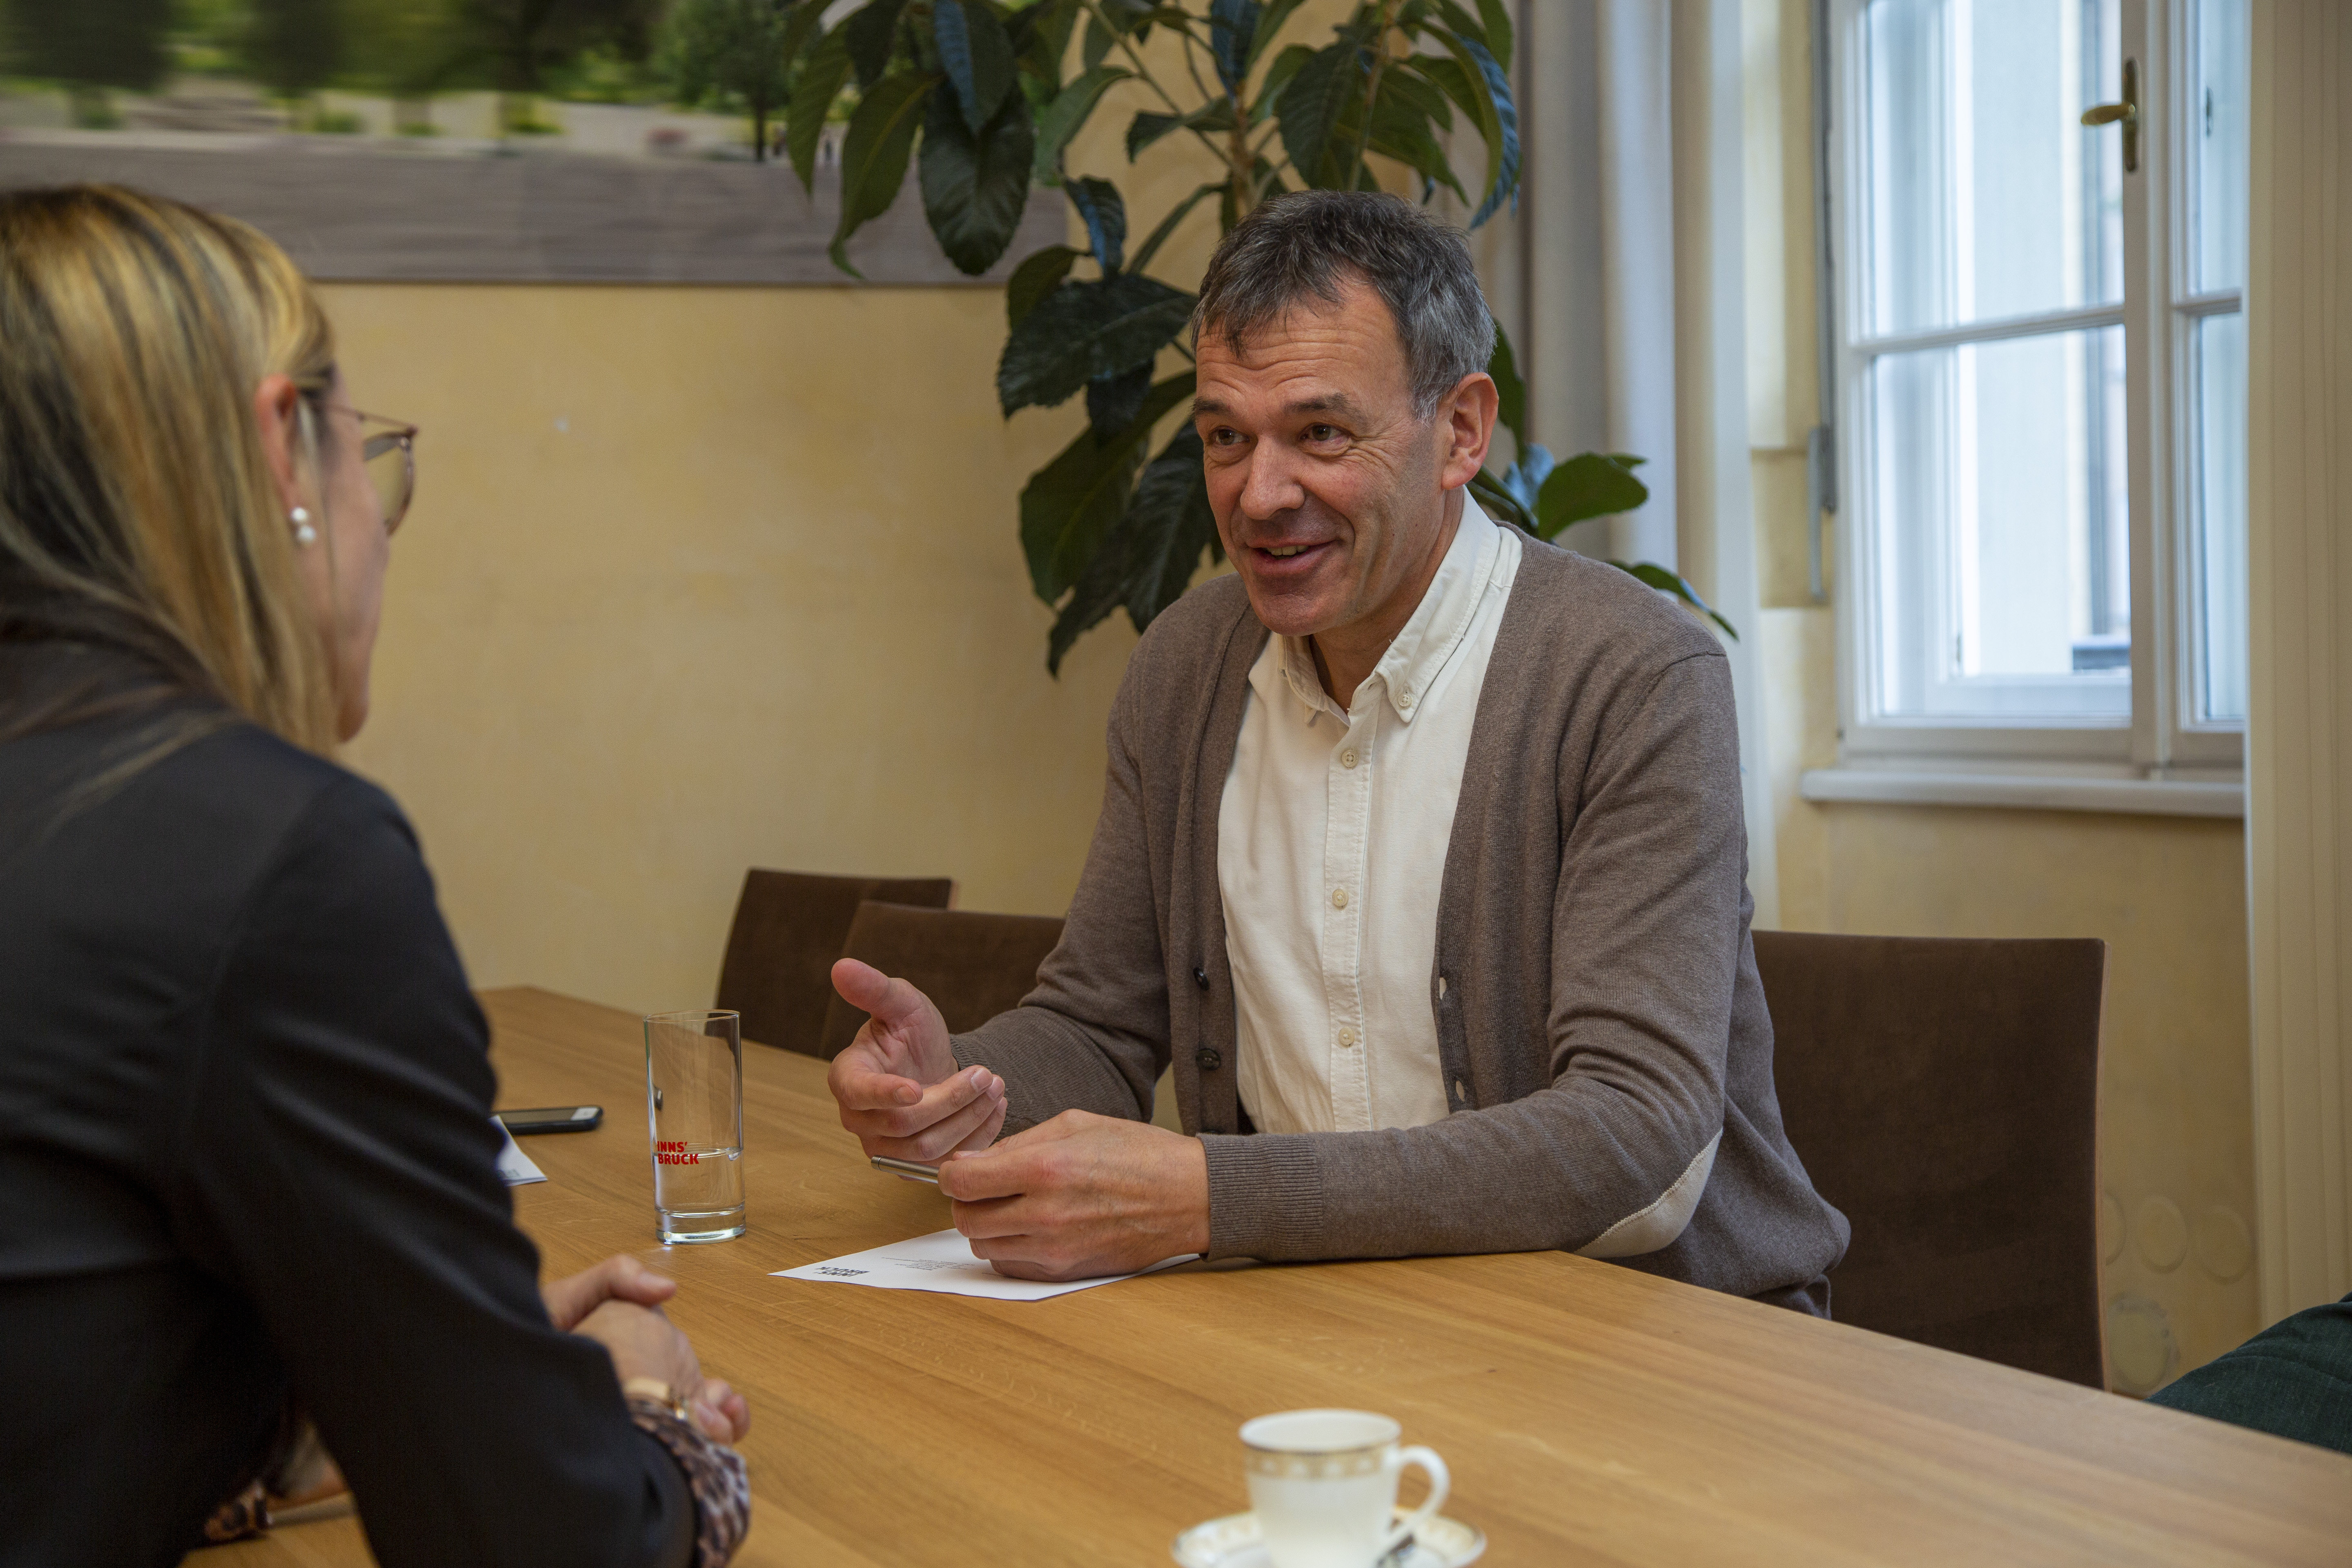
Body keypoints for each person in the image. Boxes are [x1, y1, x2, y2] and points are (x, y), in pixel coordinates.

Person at [828, 190, 1849, 1310]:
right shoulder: (1183, 671)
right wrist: (962, 1082)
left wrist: (1218, 1197)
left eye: (1320, 433)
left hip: (1657, 1342)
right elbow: (1097, 1025)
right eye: (1226, 437)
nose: (1259, 496)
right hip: (1316, 1323)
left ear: (1460, 431)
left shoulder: (1633, 675)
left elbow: (1629, 1127)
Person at [0, 185, 749, 1567]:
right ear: (281, 452)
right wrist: (643, 1403)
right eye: (374, 457)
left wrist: (420, 1367)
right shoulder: (266, 857)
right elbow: (538, 1545)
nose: (383, 523)